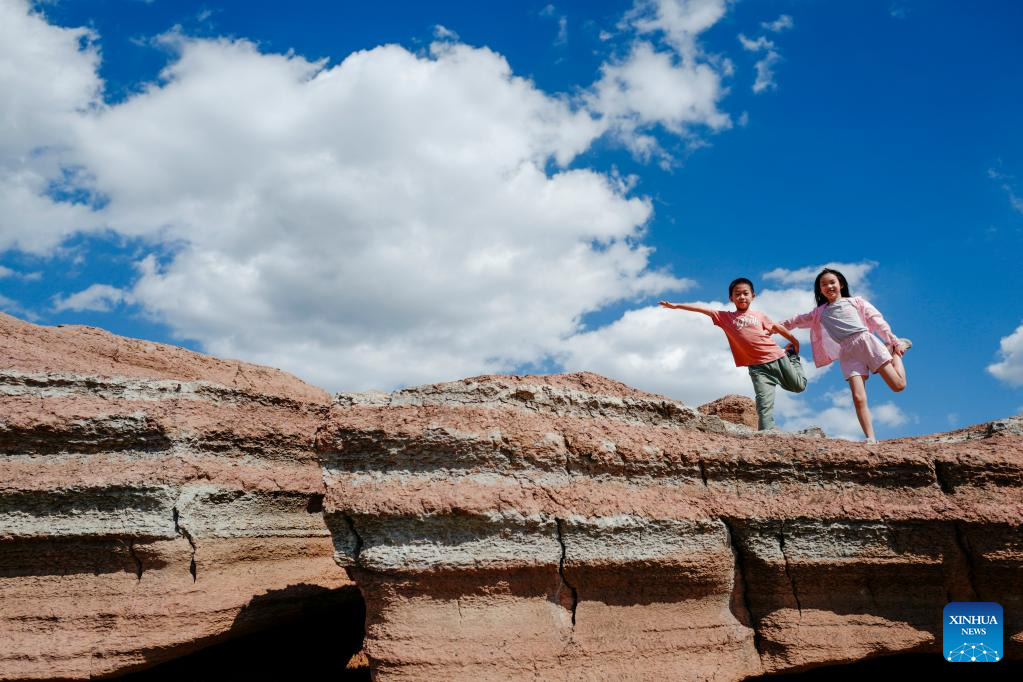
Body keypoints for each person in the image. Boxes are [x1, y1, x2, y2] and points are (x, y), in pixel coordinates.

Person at [780, 268, 911, 443]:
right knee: (858, 397)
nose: (828, 286)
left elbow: (878, 322)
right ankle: (871, 438)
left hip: (866, 343)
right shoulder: (819, 313)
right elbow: (795, 320)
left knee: (898, 385)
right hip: (847, 353)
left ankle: (896, 352)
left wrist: (893, 341)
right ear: (820, 290)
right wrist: (770, 326)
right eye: (823, 284)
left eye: (832, 282)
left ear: (841, 284)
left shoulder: (856, 302)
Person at [660, 277, 806, 431]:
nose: (742, 297)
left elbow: (777, 327)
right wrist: (677, 306)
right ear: (731, 298)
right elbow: (702, 309)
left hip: (778, 357)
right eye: (737, 294)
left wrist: (795, 342)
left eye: (745, 293)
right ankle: (766, 435)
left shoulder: (759, 315)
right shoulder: (726, 317)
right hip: (757, 368)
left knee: (798, 386)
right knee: (764, 404)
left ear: (753, 296)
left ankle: (793, 359)